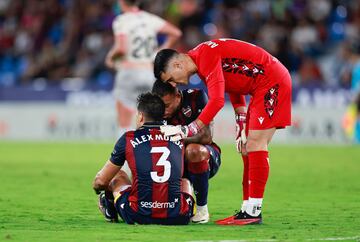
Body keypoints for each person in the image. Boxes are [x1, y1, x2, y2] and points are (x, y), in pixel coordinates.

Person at [153, 38, 292, 225]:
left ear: (177, 64)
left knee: (255, 144)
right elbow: (233, 81)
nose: (174, 84)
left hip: (270, 82)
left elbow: (217, 100)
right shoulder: (202, 60)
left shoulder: (205, 57)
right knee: (246, 147)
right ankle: (247, 209)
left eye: (170, 78)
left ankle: (253, 211)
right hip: (262, 84)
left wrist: (187, 129)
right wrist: (240, 115)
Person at [92, 92, 194, 225]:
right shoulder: (177, 136)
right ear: (162, 116)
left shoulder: (129, 138)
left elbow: (100, 181)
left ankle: (110, 210)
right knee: (184, 181)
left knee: (118, 175)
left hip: (138, 214)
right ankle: (197, 213)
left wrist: (99, 189)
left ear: (140, 116)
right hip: (178, 216)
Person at [105, 0, 182, 134]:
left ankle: (125, 153)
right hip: (148, 71)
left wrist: (110, 58)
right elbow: (176, 33)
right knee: (150, 117)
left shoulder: (121, 21)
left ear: (122, 2)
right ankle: (150, 150)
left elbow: (121, 49)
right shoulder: (149, 19)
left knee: (124, 119)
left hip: (129, 71)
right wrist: (157, 53)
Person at [152, 80, 221, 223]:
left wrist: (179, 135)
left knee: (194, 150)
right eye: (160, 107)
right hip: (171, 163)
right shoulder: (154, 109)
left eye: (166, 106)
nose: (163, 111)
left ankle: (202, 210)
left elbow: (206, 136)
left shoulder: (196, 98)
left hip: (204, 158)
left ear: (177, 96)